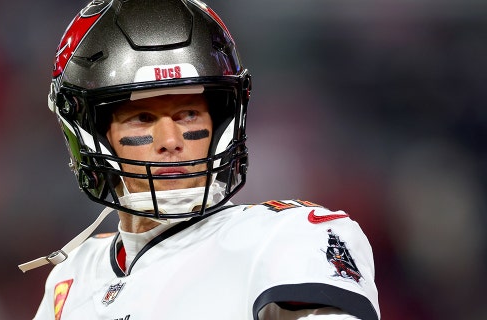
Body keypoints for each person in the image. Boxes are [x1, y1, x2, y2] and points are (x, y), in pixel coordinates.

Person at [19, 0, 380, 319]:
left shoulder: (285, 239)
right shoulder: (72, 278)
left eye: (189, 113)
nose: (171, 142)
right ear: (93, 135)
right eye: (142, 117)